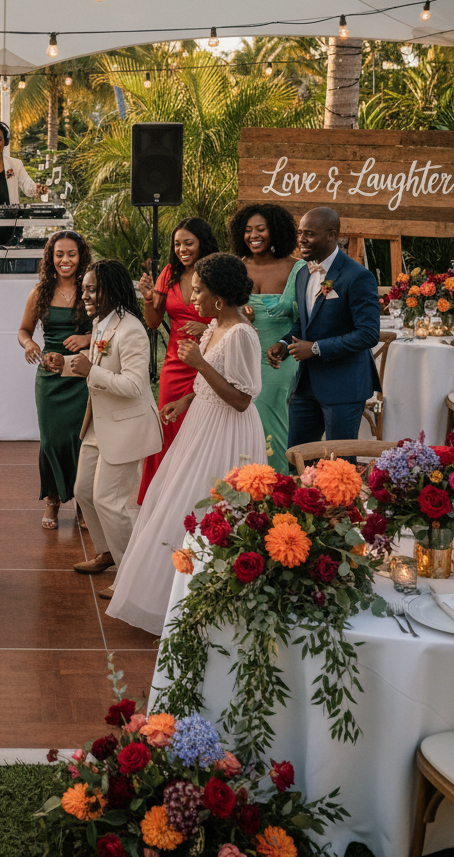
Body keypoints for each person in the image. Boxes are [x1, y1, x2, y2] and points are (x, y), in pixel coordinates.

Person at [107, 253, 266, 634]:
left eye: (198, 291)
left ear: (219, 297)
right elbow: (211, 383)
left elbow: (243, 398)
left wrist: (200, 365)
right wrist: (185, 399)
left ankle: (210, 601)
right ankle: (168, 598)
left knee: (209, 505)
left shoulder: (242, 333)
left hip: (227, 432)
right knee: (176, 500)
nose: (191, 298)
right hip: (201, 421)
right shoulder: (213, 327)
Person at [53, 260, 161, 593]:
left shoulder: (131, 330)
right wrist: (66, 364)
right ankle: (107, 552)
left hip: (126, 426)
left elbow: (134, 386)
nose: (84, 295)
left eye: (92, 289)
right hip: (98, 424)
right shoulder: (101, 322)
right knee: (83, 491)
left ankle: (133, 572)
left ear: (111, 291)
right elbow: (96, 365)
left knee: (109, 500)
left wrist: (89, 371)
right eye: (83, 288)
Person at [267, 207, 381, 452]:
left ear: (331, 235)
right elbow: (306, 323)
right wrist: (285, 343)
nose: (301, 240)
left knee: (339, 463)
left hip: (343, 385)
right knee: (297, 457)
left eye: (309, 233)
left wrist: (316, 348)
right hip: (305, 385)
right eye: (300, 233)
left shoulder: (357, 276)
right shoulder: (302, 274)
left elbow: (369, 333)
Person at [136, 217, 219, 503]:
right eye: (178, 244)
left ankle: (193, 496)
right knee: (167, 427)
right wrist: (148, 299)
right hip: (174, 366)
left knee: (200, 433)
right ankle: (160, 497)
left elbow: (232, 313)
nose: (182, 249)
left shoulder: (215, 271)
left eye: (189, 243)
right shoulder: (169, 273)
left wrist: (206, 326)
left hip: (210, 363)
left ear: (202, 243)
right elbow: (153, 321)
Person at [17, 230, 93, 529]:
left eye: (71, 254)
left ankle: (82, 501)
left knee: (82, 438)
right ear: (50, 257)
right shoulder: (40, 292)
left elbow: (107, 328)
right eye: (59, 254)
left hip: (82, 374)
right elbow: (24, 330)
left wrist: (86, 338)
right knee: (51, 439)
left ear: (81, 256)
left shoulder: (92, 287)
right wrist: (30, 345)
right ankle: (52, 499)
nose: (65, 260)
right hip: (50, 375)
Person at [230, 204, 306, 472]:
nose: (254, 235)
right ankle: (246, 483)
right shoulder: (236, 268)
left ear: (275, 231)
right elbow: (222, 311)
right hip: (242, 356)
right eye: (248, 230)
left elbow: (306, 319)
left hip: (279, 359)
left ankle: (276, 481)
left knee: (269, 417)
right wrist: (241, 317)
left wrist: (286, 344)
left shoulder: (298, 269)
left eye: (261, 229)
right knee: (241, 422)